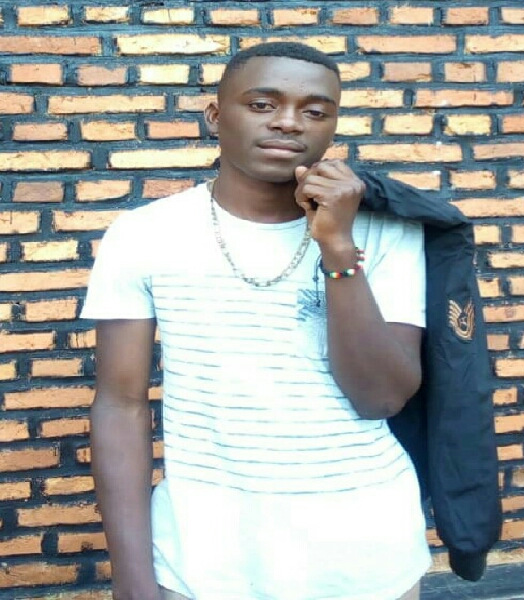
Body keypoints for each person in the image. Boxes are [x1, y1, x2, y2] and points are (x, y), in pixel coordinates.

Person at [82, 42, 431, 600]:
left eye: (315, 111)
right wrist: (132, 580)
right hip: (203, 562)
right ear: (215, 115)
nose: (289, 122)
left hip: (367, 559)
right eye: (263, 104)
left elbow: (381, 397)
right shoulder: (144, 234)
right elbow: (120, 406)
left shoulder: (389, 232)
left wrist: (338, 247)